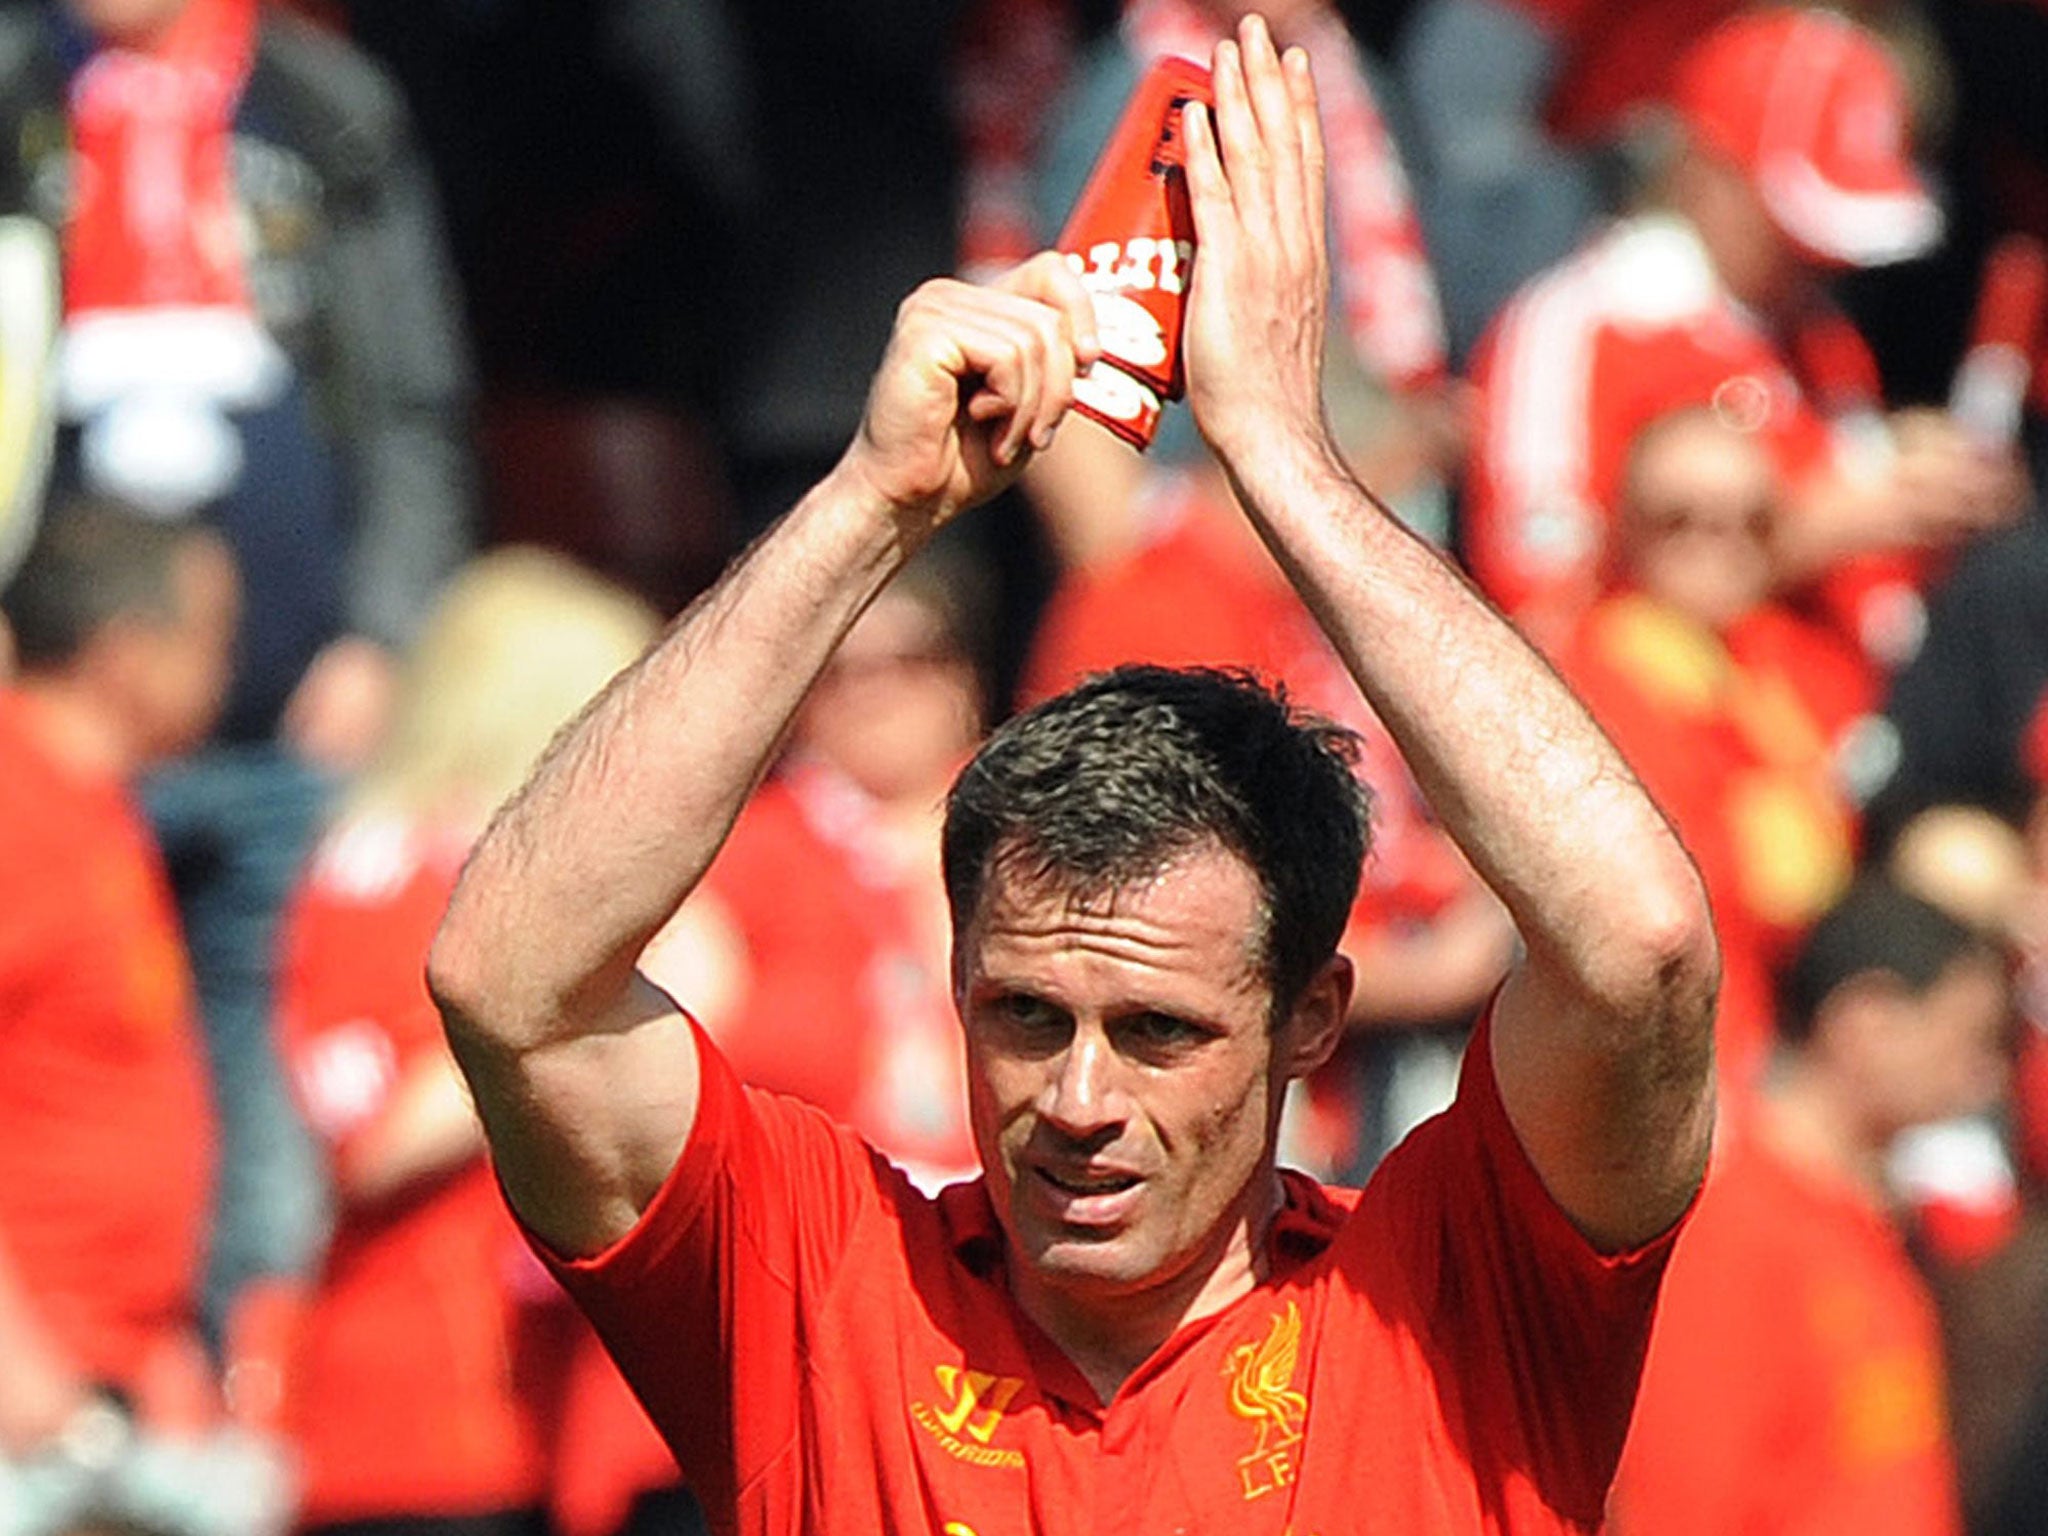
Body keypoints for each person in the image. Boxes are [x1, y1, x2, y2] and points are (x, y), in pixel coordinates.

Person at [428, 18, 1718, 1534]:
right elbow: (510, 981)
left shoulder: (1450, 1299)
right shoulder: (823, 1291)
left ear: (1312, 1018)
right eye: (1027, 1016)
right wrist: (873, 500)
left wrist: (1283, 461)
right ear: (959, 975)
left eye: (1161, 1030)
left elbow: (1637, 946)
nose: (1080, 1100)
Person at [0, 0, 478, 1337]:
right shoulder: (17, 90)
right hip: (50, 726)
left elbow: (414, 391)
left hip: (291, 714)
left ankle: (245, 1394)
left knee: (266, 1081)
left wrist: (383, 632)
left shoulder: (322, 106)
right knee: (64, 1066)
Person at [272, 549, 664, 1536]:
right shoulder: (380, 873)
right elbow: (370, 1136)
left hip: (539, 1414)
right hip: (413, 1423)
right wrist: (538, 1031)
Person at [1464, 6, 2024, 662]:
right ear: (1710, 172)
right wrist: (1791, 538)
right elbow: (1543, 613)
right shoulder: (1578, 329)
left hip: (1849, 732)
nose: (1820, 260)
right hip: (1679, 747)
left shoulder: (1823, 342)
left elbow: (1877, 604)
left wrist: (1927, 503)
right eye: (1793, 228)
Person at [0, 500, 287, 1536]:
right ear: (126, 654)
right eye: (214, 634)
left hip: (111, 1388)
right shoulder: (16, 801)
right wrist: (21, 1371)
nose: (236, 665)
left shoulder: (102, 808)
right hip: (38, 1418)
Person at [1611, 878, 2009, 1536]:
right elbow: (1680, 1502)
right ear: (1866, 1022)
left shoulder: (1870, 1220)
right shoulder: (1734, 1231)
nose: (1984, 1075)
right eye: (1967, 1039)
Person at [1557, 406, 1862, 1104]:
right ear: (1626, 524)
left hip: (1799, 1027)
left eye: (1751, 521)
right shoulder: (1589, 667)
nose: (1718, 544)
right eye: (1682, 519)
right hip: (1681, 1056)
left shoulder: (1802, 662)